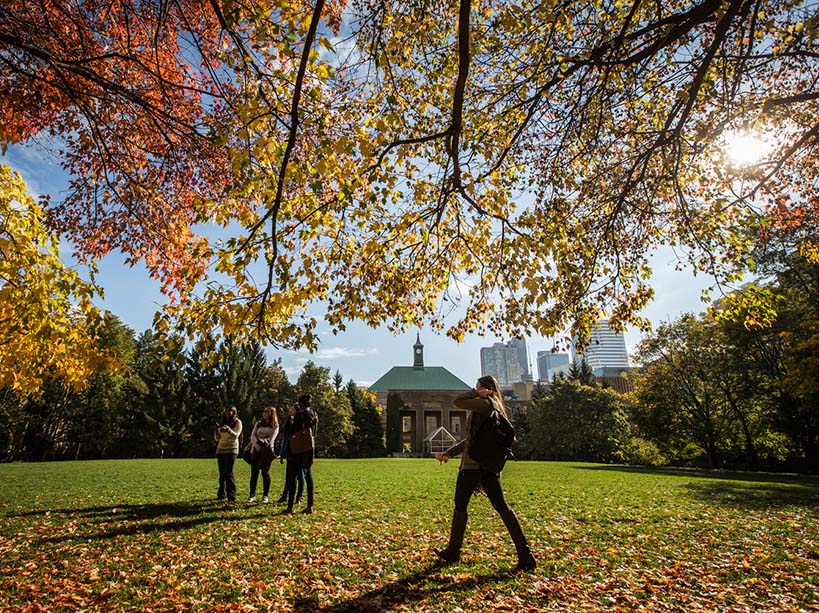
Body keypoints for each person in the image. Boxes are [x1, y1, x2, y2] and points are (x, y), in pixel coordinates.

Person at [434, 375, 536, 572]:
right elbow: (472, 439)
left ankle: (454, 551)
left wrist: (477, 394)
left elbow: (457, 401)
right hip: (488, 466)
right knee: (502, 507)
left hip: (473, 466)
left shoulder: (485, 404)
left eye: (478, 386)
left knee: (461, 504)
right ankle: (525, 555)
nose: (475, 390)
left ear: (485, 389)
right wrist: (450, 452)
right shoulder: (495, 406)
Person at [285, 394, 318, 514]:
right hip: (309, 447)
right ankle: (310, 505)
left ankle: (290, 507)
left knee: (293, 476)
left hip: (297, 448)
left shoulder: (299, 415)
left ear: (301, 404)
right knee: (308, 476)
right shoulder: (313, 415)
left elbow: (292, 430)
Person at [247, 407, 279, 503]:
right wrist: (256, 444)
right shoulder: (258, 423)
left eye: (267, 412)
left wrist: (264, 442)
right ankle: (252, 495)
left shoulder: (275, 425)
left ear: (271, 413)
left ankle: (265, 495)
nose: (264, 413)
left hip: (267, 451)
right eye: (264, 411)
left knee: (265, 473)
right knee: (254, 473)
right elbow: (253, 435)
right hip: (256, 450)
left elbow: (272, 438)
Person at [276, 404, 304, 505]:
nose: (290, 409)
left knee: (300, 476)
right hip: (290, 451)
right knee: (289, 476)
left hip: (298, 452)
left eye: (291, 408)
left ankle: (299, 497)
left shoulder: (300, 421)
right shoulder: (289, 421)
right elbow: (285, 439)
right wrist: (282, 453)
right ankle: (285, 495)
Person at [215, 406, 243, 503]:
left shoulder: (237, 422)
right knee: (222, 473)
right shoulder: (222, 422)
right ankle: (221, 494)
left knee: (229, 472)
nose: (228, 412)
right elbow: (217, 438)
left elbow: (236, 435)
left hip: (232, 448)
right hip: (221, 449)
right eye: (226, 410)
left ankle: (232, 496)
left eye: (230, 411)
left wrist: (229, 430)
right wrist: (216, 431)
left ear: (234, 412)